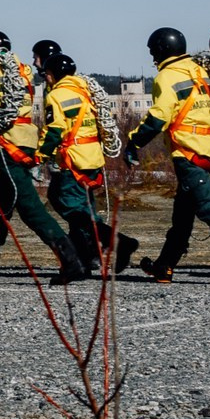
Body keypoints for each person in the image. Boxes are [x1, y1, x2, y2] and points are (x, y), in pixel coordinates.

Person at [124, 27, 210, 284]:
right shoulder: (202, 71)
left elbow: (158, 118)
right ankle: (165, 265)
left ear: (161, 51)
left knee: (209, 207)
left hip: (188, 151)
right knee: (183, 213)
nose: (153, 57)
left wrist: (133, 142)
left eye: (153, 52)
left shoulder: (167, 77)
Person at [0, 30, 88, 284]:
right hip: (26, 140)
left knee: (31, 209)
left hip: (8, 143)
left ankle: (71, 261)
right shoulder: (20, 69)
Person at [37, 48, 135, 276]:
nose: (46, 78)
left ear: (53, 74)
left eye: (47, 74)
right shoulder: (84, 91)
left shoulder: (56, 95)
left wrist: (40, 154)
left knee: (68, 206)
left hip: (74, 160)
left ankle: (118, 242)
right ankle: (86, 256)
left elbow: (55, 129)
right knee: (82, 208)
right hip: (92, 158)